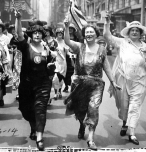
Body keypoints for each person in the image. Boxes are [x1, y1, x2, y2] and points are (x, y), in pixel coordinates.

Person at [63, 19, 120, 150]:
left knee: (93, 109)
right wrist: (66, 27)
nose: (89, 34)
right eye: (87, 32)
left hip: (96, 85)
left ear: (96, 34)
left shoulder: (102, 49)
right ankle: (82, 125)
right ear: (84, 34)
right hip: (81, 84)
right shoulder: (79, 47)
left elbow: (106, 67)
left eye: (91, 32)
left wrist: (113, 81)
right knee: (81, 109)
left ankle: (91, 138)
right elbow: (67, 41)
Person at [15, 12, 55, 151]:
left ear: (42, 35)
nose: (37, 35)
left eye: (40, 33)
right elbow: (19, 34)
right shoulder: (25, 47)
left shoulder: (47, 48)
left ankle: (39, 137)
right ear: (31, 34)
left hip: (43, 84)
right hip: (27, 84)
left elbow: (51, 64)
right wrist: (18, 19)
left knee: (40, 110)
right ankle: (33, 127)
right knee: (27, 110)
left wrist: (51, 66)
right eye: (35, 33)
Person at [103, 14, 146, 145]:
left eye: (137, 31)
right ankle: (124, 123)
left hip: (139, 81)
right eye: (132, 30)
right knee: (123, 105)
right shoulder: (122, 42)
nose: (134, 32)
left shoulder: (144, 47)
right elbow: (107, 37)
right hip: (122, 79)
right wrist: (107, 22)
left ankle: (131, 133)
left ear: (140, 34)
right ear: (128, 32)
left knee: (135, 106)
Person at [0, 19, 11, 107]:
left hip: (4, 61)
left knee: (2, 81)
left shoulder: (7, 38)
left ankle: (1, 98)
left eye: (0, 27)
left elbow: (10, 50)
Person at [52, 27, 68, 100]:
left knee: (61, 78)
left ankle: (59, 91)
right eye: (58, 33)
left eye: (61, 33)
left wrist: (70, 53)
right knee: (55, 78)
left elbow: (68, 52)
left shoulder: (65, 42)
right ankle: (55, 93)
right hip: (55, 62)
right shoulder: (53, 42)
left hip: (63, 62)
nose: (60, 35)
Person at [63, 23, 77, 93]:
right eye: (69, 28)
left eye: (71, 29)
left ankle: (73, 85)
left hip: (75, 57)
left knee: (74, 71)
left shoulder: (76, 38)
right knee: (66, 71)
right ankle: (66, 85)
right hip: (66, 56)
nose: (70, 30)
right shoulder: (65, 37)